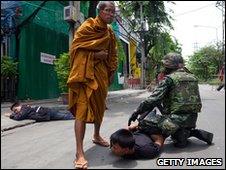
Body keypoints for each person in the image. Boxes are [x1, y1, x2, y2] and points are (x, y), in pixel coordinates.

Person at [67, 1, 118, 169]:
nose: (111, 14)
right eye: (108, 11)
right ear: (100, 11)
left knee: (99, 107)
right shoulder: (87, 26)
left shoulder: (110, 32)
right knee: (81, 111)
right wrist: (95, 56)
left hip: (101, 75)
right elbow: (76, 49)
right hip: (85, 76)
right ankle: (79, 152)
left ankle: (96, 135)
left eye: (113, 12)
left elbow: (112, 54)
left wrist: (111, 71)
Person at [128, 52, 213, 148]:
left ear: (168, 66)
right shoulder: (193, 77)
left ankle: (180, 132)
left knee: (143, 124)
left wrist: (136, 112)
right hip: (192, 120)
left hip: (175, 120)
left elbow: (152, 100)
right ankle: (187, 133)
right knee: (177, 138)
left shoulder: (169, 79)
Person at [5, 102, 74, 121]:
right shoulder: (25, 108)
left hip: (47, 113)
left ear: (19, 105)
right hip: (47, 113)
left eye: (15, 110)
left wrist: (10, 115)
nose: (16, 112)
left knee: (65, 116)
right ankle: (77, 116)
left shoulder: (24, 108)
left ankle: (79, 118)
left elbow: (19, 117)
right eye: (15, 111)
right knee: (65, 114)